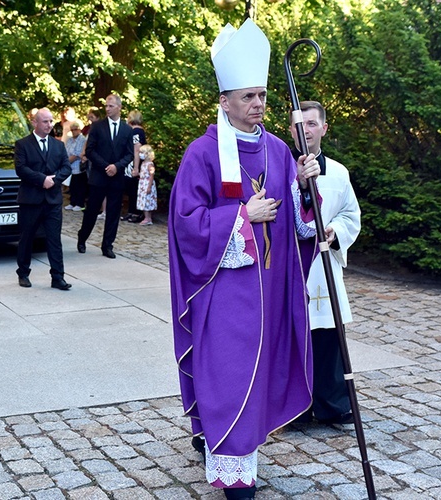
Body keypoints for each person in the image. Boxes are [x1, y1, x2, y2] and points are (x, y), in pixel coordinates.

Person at [168, 19, 320, 498]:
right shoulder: (203, 153)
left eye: (262, 96)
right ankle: (233, 474)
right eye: (248, 97)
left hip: (271, 288)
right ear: (224, 101)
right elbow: (186, 223)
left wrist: (303, 187)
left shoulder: (278, 150)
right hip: (226, 292)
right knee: (230, 376)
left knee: (260, 379)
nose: (258, 105)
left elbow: (299, 224)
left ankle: (239, 453)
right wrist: (240, 216)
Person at [290, 100, 361, 425]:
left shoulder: (339, 172)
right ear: (290, 130)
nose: (305, 130)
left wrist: (336, 231)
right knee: (293, 338)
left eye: (311, 123)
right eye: (298, 124)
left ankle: (333, 403)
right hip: (292, 267)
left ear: (324, 128)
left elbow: (351, 214)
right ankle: (295, 409)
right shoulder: (278, 168)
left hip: (324, 265)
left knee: (328, 337)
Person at [14, 108, 72, 290]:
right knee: (27, 238)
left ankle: (58, 276)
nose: (49, 125)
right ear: (35, 123)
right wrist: (42, 180)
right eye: (45, 121)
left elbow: (66, 167)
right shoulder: (23, 144)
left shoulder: (58, 145)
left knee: (54, 239)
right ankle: (23, 273)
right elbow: (21, 169)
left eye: (51, 121)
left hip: (53, 200)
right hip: (31, 200)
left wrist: (53, 180)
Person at [76, 94, 134, 259]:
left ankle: (107, 245)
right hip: (99, 176)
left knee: (114, 212)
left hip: (117, 177)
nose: (107, 109)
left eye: (110, 106)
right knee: (92, 210)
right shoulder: (97, 127)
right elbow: (90, 151)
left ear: (119, 107)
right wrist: (105, 166)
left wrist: (117, 166)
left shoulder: (127, 130)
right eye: (106, 106)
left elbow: (129, 154)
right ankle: (82, 238)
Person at [122, 111, 146, 223]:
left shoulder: (136, 131)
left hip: (133, 163)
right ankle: (131, 211)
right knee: (131, 189)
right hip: (132, 162)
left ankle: (136, 213)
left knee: (133, 188)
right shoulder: (138, 131)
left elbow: (137, 149)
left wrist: (136, 167)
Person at [64, 120, 87, 211]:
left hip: (78, 166)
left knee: (80, 186)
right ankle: (72, 202)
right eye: (72, 130)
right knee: (72, 186)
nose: (73, 131)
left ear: (79, 130)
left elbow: (77, 154)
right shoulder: (69, 139)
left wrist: (67, 162)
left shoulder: (82, 139)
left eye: (75, 129)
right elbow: (66, 151)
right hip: (70, 167)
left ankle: (79, 203)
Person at [136, 145, 157, 225]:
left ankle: (148, 218)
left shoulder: (150, 164)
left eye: (142, 152)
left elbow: (151, 175)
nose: (140, 154)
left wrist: (149, 186)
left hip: (147, 184)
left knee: (147, 201)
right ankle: (146, 217)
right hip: (142, 184)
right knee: (143, 201)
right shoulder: (143, 163)